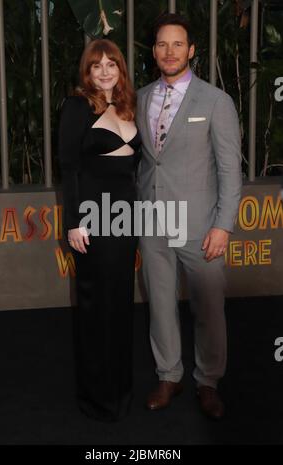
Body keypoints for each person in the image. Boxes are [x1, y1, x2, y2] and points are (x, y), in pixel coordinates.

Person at [136, 13, 242, 420]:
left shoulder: (216, 101)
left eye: (177, 44)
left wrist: (223, 225)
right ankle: (169, 374)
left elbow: (230, 170)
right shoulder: (142, 97)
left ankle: (208, 381)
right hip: (152, 221)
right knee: (160, 303)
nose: (169, 51)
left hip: (201, 225)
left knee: (209, 308)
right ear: (155, 51)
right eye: (162, 44)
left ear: (192, 50)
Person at [58, 39, 140, 422]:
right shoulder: (77, 107)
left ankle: (121, 388)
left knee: (120, 303)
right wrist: (73, 222)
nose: (105, 71)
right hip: (92, 219)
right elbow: (69, 168)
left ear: (121, 69)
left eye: (112, 64)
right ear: (87, 72)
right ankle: (96, 398)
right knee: (95, 308)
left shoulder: (127, 106)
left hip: (126, 219)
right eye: (97, 66)